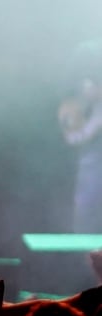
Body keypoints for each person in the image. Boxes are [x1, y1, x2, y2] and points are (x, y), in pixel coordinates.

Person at [57, 39, 102, 234]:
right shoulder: (71, 104)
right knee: (87, 205)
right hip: (90, 164)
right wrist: (95, 123)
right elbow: (73, 138)